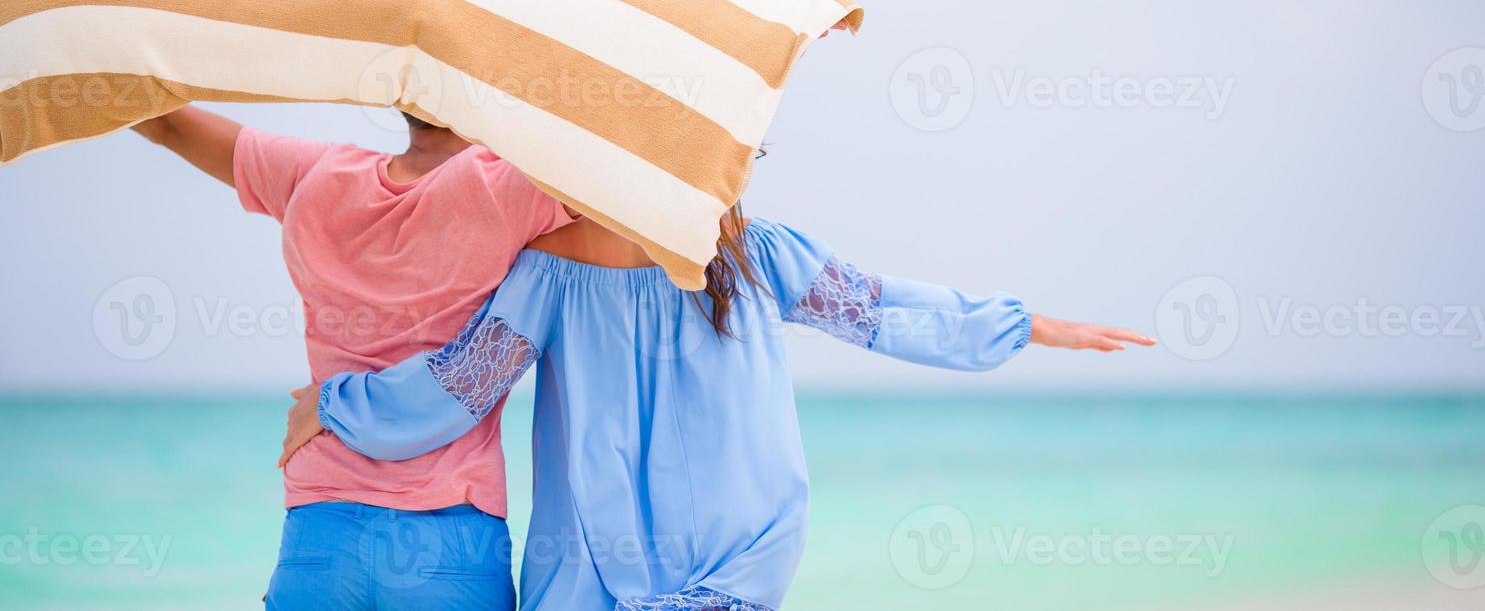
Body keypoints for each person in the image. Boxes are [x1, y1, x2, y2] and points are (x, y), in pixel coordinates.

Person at [280, 207, 1154, 610]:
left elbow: (461, 387)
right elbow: (882, 313)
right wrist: (1025, 326)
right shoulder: (752, 252)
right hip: (736, 567)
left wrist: (337, 404)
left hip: (588, 576)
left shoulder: (548, 267)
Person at [132, 106, 575, 609]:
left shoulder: (315, 173)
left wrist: (82, 63)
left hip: (322, 525)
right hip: (451, 528)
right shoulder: (513, 188)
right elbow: (625, 178)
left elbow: (163, 122)